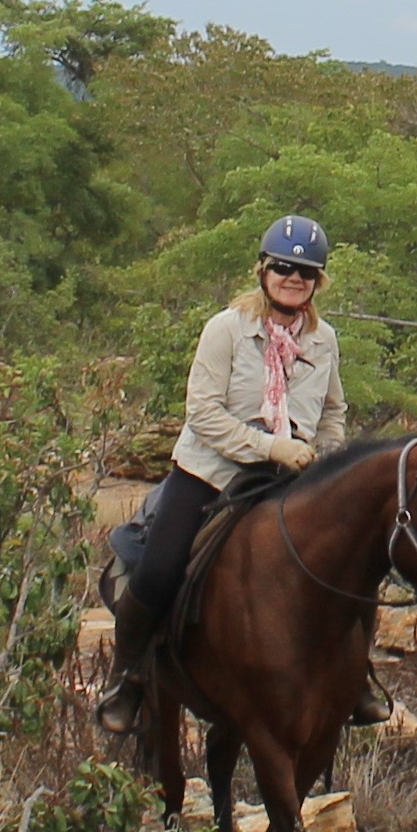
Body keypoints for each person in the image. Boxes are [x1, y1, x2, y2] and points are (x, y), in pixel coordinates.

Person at [100, 215, 341, 732]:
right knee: (162, 568)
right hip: (211, 472)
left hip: (288, 481)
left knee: (346, 559)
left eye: (305, 272)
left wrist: (325, 455)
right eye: (283, 267)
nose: (293, 278)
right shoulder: (226, 330)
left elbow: (334, 412)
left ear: (318, 282)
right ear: (262, 270)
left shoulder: (325, 341)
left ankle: (354, 676)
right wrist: (271, 446)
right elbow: (204, 413)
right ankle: (129, 677)